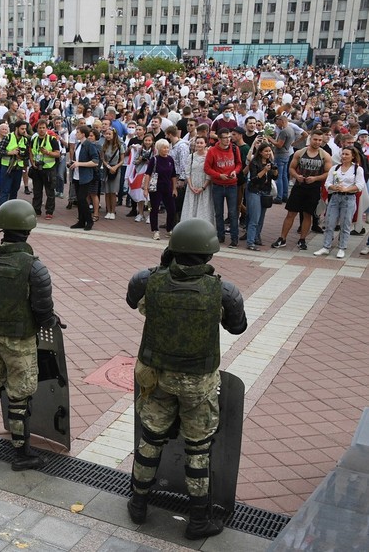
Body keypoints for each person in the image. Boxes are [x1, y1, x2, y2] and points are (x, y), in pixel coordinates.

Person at [126, 218, 247, 540]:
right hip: (199, 385)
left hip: (156, 378)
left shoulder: (147, 280)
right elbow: (238, 327)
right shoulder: (223, 291)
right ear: (209, 253)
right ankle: (198, 520)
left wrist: (164, 266)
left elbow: (132, 299)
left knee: (150, 441)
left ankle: (138, 503)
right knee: (198, 449)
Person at [0, 199, 56, 471]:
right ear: (29, 229)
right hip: (19, 341)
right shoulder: (33, 267)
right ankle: (21, 453)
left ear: (1, 229)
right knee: (18, 398)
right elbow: (44, 312)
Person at [271, 129, 332, 251]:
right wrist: (296, 176)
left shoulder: (325, 155)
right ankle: (282, 238)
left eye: (320, 140)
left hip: (313, 188)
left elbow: (328, 173)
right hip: (299, 187)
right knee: (291, 213)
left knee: (307, 215)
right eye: (315, 139)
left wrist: (315, 178)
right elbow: (291, 168)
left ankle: (302, 239)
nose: (318, 142)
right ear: (310, 138)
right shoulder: (300, 152)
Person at [314, 147, 366, 259]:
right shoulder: (335, 168)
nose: (344, 156)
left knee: (345, 224)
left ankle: (342, 247)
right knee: (329, 222)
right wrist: (334, 187)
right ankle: (326, 246)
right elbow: (327, 183)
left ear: (353, 156)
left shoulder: (357, 169)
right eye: (343, 154)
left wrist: (346, 189)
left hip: (349, 198)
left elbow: (360, 185)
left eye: (347, 154)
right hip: (335, 197)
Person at [204, 127, 242, 247]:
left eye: (229, 137)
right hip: (218, 185)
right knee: (218, 212)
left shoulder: (235, 149)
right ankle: (220, 236)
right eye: (225, 138)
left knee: (232, 212)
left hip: (232, 185)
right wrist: (219, 175)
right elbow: (207, 168)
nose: (227, 140)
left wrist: (235, 171)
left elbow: (239, 164)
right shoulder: (212, 151)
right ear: (219, 139)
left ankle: (234, 238)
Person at [144, 139, 179, 241]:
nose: (166, 149)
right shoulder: (154, 160)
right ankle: (155, 230)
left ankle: (169, 229)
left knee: (172, 209)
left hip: (167, 187)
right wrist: (146, 188)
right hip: (156, 188)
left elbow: (173, 175)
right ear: (159, 148)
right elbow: (148, 174)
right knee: (154, 209)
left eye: (167, 147)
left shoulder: (170, 160)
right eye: (164, 147)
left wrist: (174, 188)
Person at [68, 125, 101, 230]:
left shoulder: (89, 145)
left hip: (86, 177)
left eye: (77, 132)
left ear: (83, 134)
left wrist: (79, 164)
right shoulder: (78, 145)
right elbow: (78, 160)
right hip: (77, 176)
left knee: (82, 199)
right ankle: (81, 221)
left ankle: (89, 221)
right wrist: (72, 163)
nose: (76, 134)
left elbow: (95, 162)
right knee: (79, 199)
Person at [245, 143, 276, 250]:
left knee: (261, 218)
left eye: (269, 151)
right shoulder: (254, 162)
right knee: (254, 218)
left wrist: (274, 170)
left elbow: (275, 178)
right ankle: (250, 242)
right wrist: (264, 171)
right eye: (266, 151)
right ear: (261, 152)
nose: (268, 153)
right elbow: (253, 179)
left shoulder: (270, 162)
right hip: (254, 191)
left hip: (265, 192)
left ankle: (257, 237)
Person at [28, 119, 61, 219]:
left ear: (47, 129)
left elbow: (57, 153)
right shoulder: (34, 139)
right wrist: (32, 162)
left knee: (50, 191)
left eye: (43, 128)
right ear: (37, 129)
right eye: (40, 128)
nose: (41, 130)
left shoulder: (52, 139)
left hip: (49, 169)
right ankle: (36, 210)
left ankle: (49, 211)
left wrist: (48, 153)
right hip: (37, 168)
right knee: (37, 191)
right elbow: (31, 151)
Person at [181, 136, 214, 225]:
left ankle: (203, 227)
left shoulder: (209, 156)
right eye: (197, 143)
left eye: (201, 143)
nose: (199, 145)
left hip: (204, 186)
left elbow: (209, 174)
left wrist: (203, 187)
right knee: (191, 206)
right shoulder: (191, 157)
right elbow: (187, 172)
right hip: (192, 185)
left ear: (205, 144)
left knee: (203, 207)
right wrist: (191, 186)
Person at [0, 120, 29, 205]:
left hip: (18, 168)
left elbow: (27, 154)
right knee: (5, 190)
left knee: (15, 190)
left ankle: (11, 209)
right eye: (22, 129)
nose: (24, 131)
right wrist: (10, 153)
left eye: (25, 129)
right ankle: (3, 210)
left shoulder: (25, 140)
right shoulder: (8, 137)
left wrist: (21, 156)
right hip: (7, 167)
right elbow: (0, 150)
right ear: (16, 128)